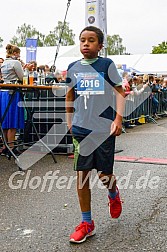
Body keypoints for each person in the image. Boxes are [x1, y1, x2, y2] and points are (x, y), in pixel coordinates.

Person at [65, 26, 125, 243]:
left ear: (100, 45)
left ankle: (113, 193)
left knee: (104, 175)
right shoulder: (72, 67)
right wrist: (70, 121)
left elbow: (120, 92)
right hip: (81, 130)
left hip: (104, 129)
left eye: (91, 40)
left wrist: (118, 119)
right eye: (82, 40)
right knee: (82, 175)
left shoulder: (106, 65)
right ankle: (87, 222)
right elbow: (69, 95)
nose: (86, 44)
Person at [0, 44, 25, 157]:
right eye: (18, 53)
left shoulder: (4, 63)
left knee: (5, 120)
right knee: (13, 121)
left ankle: (5, 146)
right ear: (15, 53)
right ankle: (11, 147)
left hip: (3, 92)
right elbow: (21, 77)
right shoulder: (16, 63)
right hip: (13, 93)